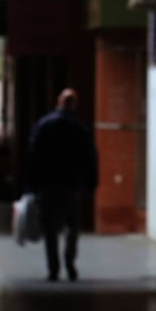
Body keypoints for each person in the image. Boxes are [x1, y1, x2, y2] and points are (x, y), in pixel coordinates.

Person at [26, 88, 98, 281]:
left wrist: (31, 184)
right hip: (72, 185)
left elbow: (33, 156)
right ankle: (70, 264)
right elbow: (90, 157)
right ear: (74, 104)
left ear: (59, 101)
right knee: (72, 227)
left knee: (51, 229)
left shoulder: (44, 125)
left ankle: (53, 269)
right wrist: (91, 184)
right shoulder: (79, 128)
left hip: (48, 185)